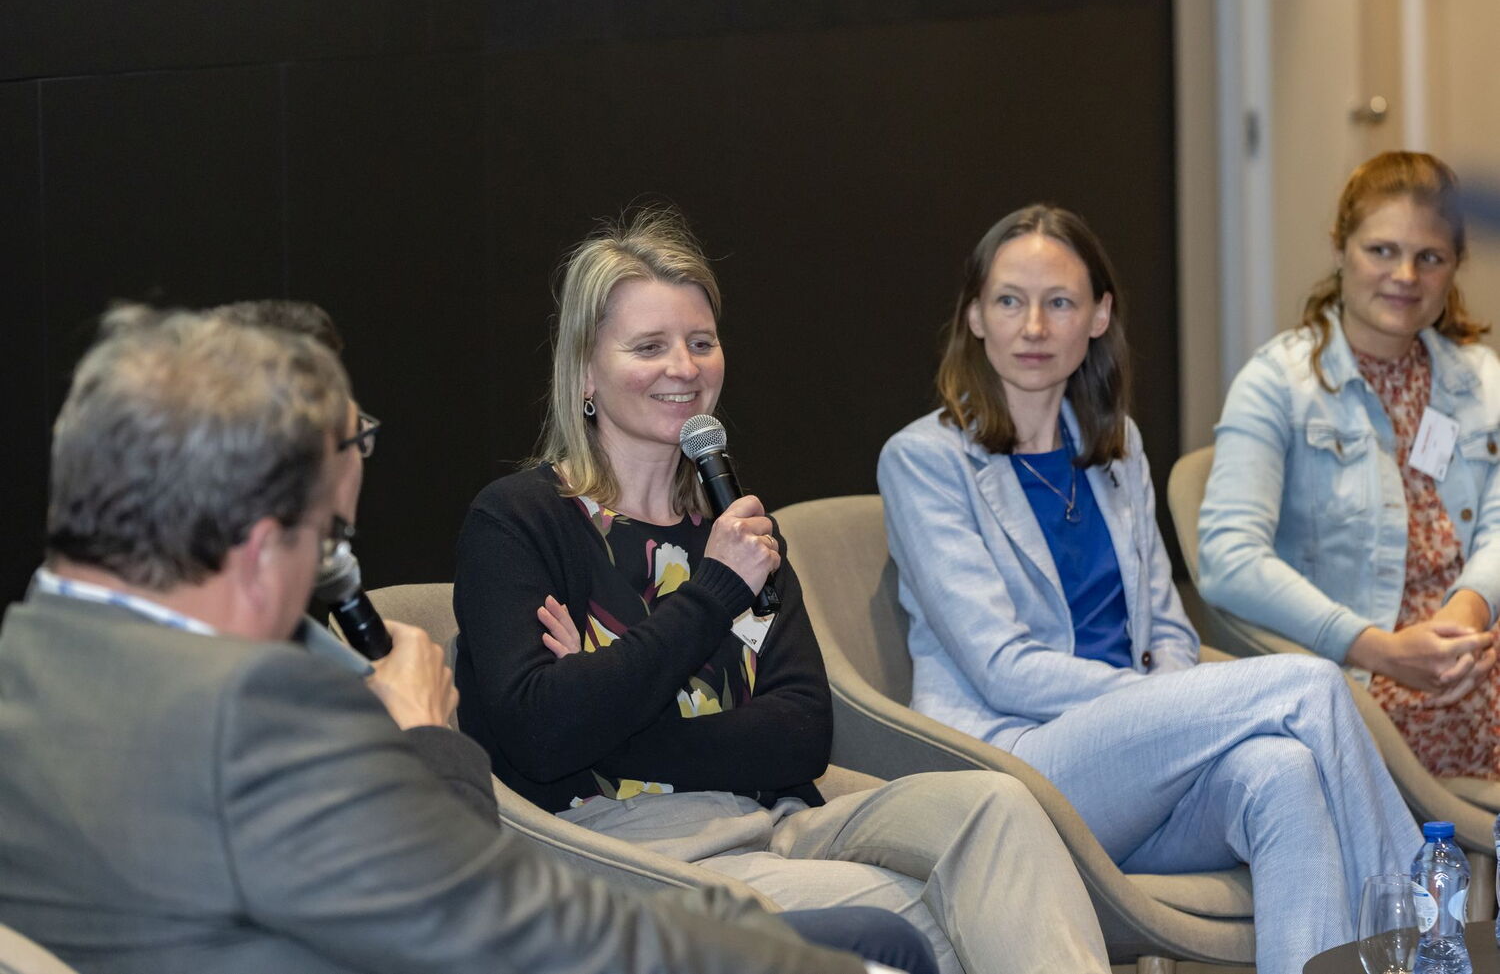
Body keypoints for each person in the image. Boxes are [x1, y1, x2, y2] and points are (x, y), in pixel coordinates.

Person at [0, 306, 920, 974]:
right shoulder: (250, 720)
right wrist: (428, 738)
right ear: (253, 552)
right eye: (327, 542)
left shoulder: (29, 661)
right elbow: (487, 924)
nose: (332, 577)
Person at [453, 207, 1113, 974]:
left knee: (998, 806)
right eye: (649, 347)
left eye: (702, 342)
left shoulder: (735, 524)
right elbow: (539, 734)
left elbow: (800, 733)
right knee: (942, 929)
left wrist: (608, 711)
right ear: (586, 372)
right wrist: (713, 594)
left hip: (780, 818)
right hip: (634, 847)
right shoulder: (521, 521)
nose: (685, 367)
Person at [876, 204, 1421, 974]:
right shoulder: (923, 459)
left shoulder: (1115, 443)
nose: (1033, 324)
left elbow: (1166, 624)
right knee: (1308, 684)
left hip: (1134, 766)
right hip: (1015, 760)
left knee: (1283, 773)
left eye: (1059, 301)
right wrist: (1153, 702)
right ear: (974, 315)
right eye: (1008, 300)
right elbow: (1002, 667)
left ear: (1098, 316)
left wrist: (1168, 699)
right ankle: (1429, 944)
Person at [1199, 150, 1500, 778]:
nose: (1405, 276)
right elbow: (1229, 561)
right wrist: (1382, 648)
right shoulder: (1277, 382)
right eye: (1381, 250)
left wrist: (1465, 612)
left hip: (1472, 650)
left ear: (1455, 269)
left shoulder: (1481, 379)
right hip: (1358, 679)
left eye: (1430, 258)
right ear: (1340, 249)